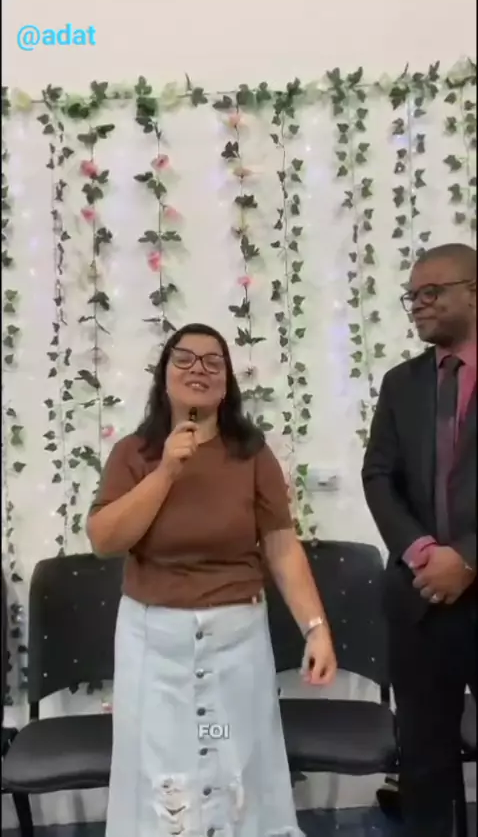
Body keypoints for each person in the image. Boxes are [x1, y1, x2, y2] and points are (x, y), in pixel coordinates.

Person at [87, 322, 337, 837]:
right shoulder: (135, 453)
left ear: (227, 382)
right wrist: (166, 473)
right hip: (155, 648)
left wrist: (316, 628)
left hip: (234, 646)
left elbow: (281, 545)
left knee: (230, 751)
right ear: (164, 375)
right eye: (184, 359)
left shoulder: (251, 454)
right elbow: (105, 540)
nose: (198, 369)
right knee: (162, 766)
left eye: (213, 361)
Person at [362, 244, 476, 837]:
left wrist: (468, 559)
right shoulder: (400, 383)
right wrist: (424, 554)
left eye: (432, 293)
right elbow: (378, 476)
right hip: (419, 600)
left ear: (474, 293)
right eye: (412, 296)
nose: (418, 305)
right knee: (425, 763)